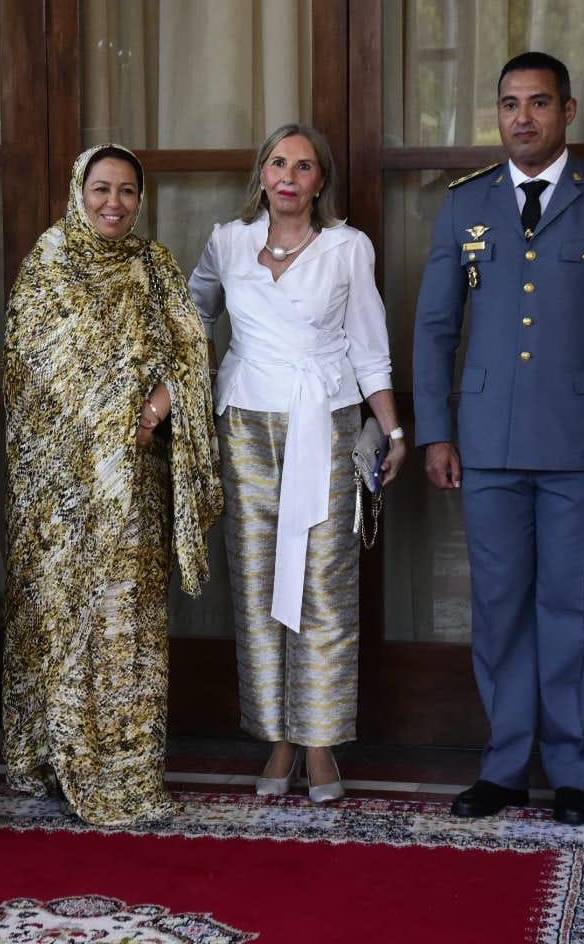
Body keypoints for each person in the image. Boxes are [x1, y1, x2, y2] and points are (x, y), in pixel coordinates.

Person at [414, 52, 584, 825]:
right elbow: (435, 328)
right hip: (488, 441)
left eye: (538, 103)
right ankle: (503, 768)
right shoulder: (464, 205)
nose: (522, 117)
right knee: (498, 609)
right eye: (509, 104)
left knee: (573, 608)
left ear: (568, 110)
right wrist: (436, 431)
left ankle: (571, 773)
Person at [3, 144, 223, 826]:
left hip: (135, 481)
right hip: (61, 495)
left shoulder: (155, 266)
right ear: (79, 190)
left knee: (125, 620)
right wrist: (101, 423)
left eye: (128, 191)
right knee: (61, 614)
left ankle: (126, 765)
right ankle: (54, 754)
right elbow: (29, 362)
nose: (114, 203)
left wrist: (152, 413)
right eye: (102, 188)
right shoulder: (49, 262)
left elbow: (190, 352)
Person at [189, 123, 405, 804]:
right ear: (261, 174)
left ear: (320, 182)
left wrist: (393, 432)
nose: (288, 175)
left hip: (328, 424)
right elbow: (190, 316)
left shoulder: (347, 247)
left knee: (324, 587)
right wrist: (180, 393)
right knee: (256, 585)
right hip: (247, 425)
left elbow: (370, 346)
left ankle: (319, 745)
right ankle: (276, 740)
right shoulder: (227, 241)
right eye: (278, 163)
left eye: (303, 166)